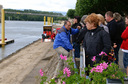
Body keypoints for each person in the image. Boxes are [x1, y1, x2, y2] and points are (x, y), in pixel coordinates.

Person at [120, 15, 128, 81]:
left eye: (126, 20)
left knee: (126, 62)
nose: (125, 21)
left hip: (127, 48)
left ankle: (127, 76)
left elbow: (123, 36)